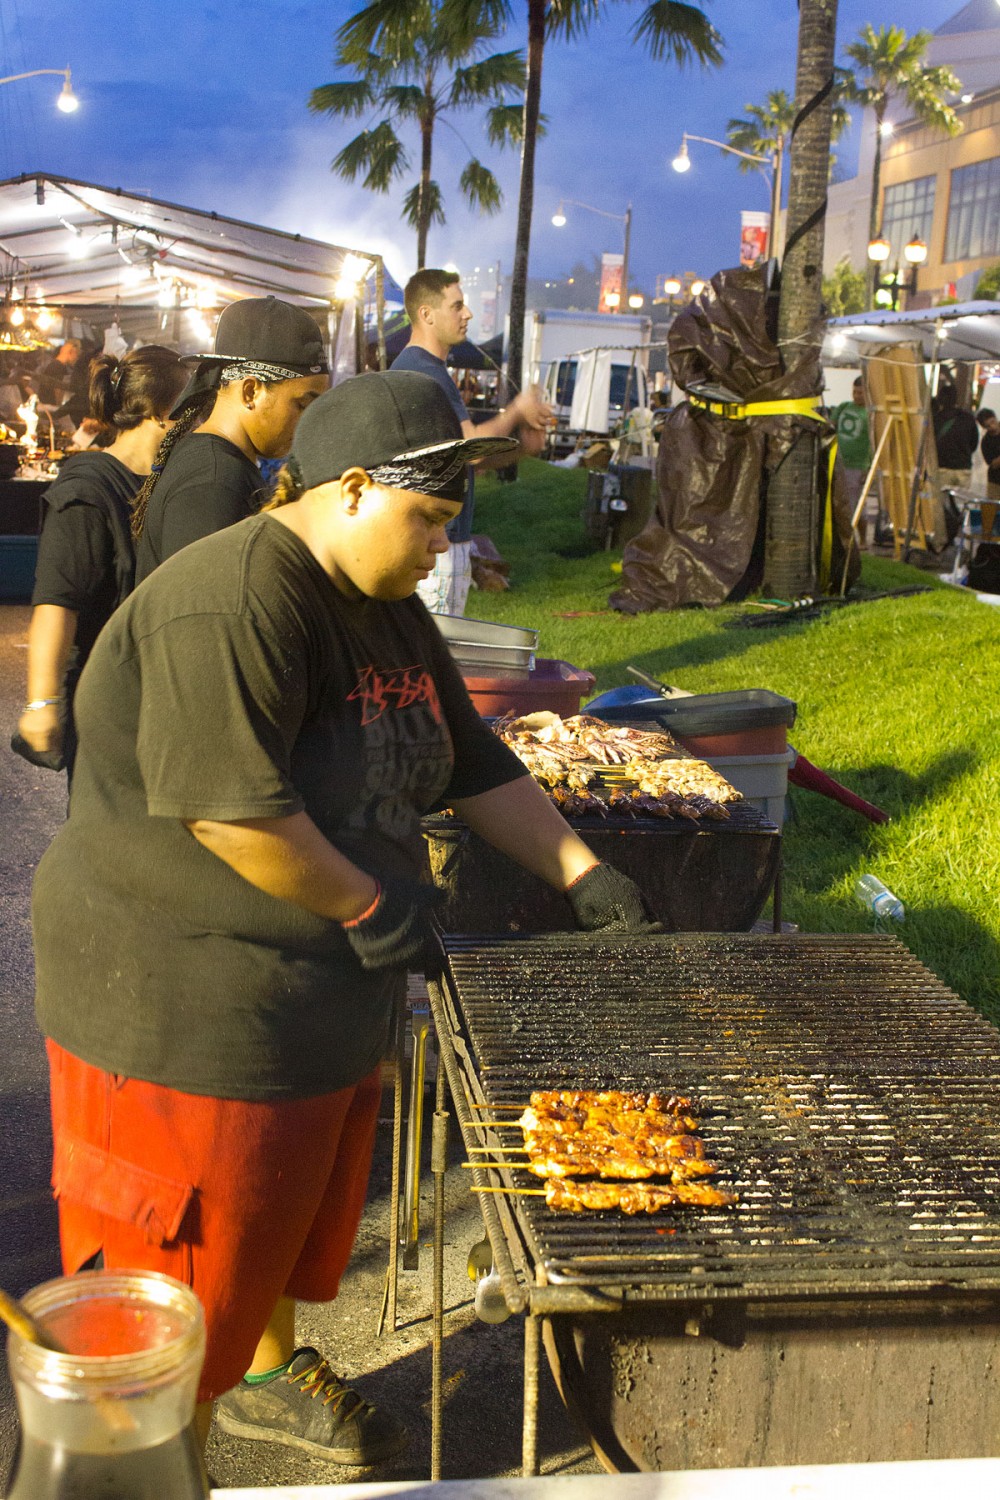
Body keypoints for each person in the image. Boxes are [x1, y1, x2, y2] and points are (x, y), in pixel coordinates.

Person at [33, 368, 657, 1467]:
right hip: (183, 1007)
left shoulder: (385, 609)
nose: (438, 552)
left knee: (266, 1238)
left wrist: (580, 870)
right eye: (427, 522)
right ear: (353, 486)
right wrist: (371, 903)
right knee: (167, 1312)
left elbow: (468, 760)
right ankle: (147, 1471)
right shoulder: (230, 600)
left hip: (312, 994)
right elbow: (233, 814)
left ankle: (261, 1376)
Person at [12, 346, 187, 778]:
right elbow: (57, 600)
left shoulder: (177, 481)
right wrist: (41, 702)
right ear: (160, 411)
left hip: (166, 699)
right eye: (193, 405)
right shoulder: (89, 489)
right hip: (107, 701)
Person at [133, 296, 329, 583]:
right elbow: (200, 615)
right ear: (250, 392)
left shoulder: (219, 466)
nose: (307, 422)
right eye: (301, 405)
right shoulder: (213, 482)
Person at [392, 268, 552, 616]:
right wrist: (516, 410)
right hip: (434, 543)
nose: (468, 314)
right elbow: (470, 447)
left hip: (445, 541)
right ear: (426, 314)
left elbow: (464, 461)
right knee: (438, 657)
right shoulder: (423, 372)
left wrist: (523, 448)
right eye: (457, 305)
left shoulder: (430, 369)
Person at [833, 377, 874, 543]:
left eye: (860, 393)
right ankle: (843, 538)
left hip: (857, 465)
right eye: (855, 392)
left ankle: (862, 540)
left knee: (856, 505)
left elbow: (873, 443)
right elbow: (831, 424)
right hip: (840, 462)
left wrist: (868, 468)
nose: (856, 396)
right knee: (840, 503)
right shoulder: (844, 407)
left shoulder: (871, 415)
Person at [33, 338, 81, 409]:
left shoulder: (53, 364)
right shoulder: (59, 367)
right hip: (50, 407)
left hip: (44, 405)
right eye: (77, 354)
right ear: (71, 352)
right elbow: (58, 389)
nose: (77, 358)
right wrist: (59, 408)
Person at [976, 407, 1000, 540]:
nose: (992, 426)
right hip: (995, 483)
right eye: (988, 425)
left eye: (992, 421)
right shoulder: (986, 442)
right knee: (992, 515)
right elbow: (993, 463)